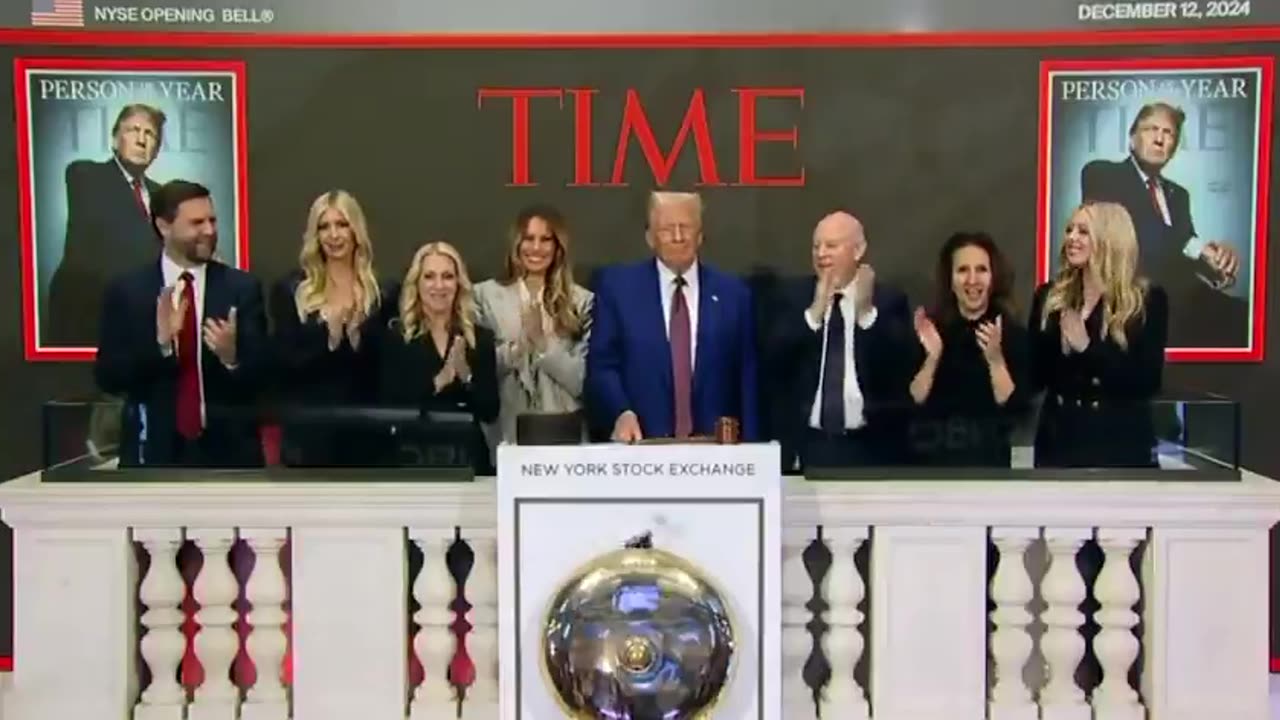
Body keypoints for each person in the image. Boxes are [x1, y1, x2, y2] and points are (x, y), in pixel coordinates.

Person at [94, 179, 268, 467]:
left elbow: (264, 378)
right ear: (164, 226)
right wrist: (160, 347)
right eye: (196, 222)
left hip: (228, 457)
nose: (210, 231)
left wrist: (232, 358)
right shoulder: (128, 292)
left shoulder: (242, 288)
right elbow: (108, 377)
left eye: (212, 220)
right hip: (152, 455)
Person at [585, 191, 758, 442]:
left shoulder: (734, 295)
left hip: (717, 456)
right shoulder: (618, 290)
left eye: (685, 227)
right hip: (642, 449)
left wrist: (750, 450)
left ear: (700, 236)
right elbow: (602, 366)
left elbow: (748, 380)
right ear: (650, 237)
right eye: (667, 229)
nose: (678, 237)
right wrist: (621, 412)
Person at [1080, 101, 1244, 349]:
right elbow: (1137, 230)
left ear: (1174, 147)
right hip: (1130, 303)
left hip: (1183, 303)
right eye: (1151, 129)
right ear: (1132, 138)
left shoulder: (1179, 195)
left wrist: (1219, 265)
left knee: (1245, 318)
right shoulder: (1102, 173)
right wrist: (1199, 248)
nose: (1159, 139)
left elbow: (1185, 249)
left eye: (1169, 134)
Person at [1029, 201, 1169, 468]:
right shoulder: (1050, 297)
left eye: (1083, 231)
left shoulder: (1146, 300)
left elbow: (1147, 381)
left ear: (1109, 238)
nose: (1071, 238)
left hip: (1119, 443)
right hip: (1059, 440)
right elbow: (1035, 377)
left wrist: (1088, 349)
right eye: (1070, 230)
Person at [770, 210, 910, 470]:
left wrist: (866, 315)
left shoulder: (888, 301)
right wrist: (814, 313)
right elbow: (774, 361)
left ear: (858, 250)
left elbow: (898, 373)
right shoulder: (792, 297)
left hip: (870, 447)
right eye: (816, 246)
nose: (821, 253)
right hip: (808, 446)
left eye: (831, 246)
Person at [270, 190, 397, 466]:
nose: (334, 235)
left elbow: (389, 370)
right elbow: (283, 363)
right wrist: (328, 341)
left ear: (356, 231)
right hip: (310, 437)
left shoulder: (382, 294)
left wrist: (355, 341)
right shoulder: (292, 290)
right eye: (324, 227)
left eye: (342, 224)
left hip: (367, 435)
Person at [474, 204, 593, 451]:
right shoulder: (484, 296)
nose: (536, 248)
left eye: (545, 239)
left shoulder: (581, 302)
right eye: (528, 238)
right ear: (516, 243)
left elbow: (583, 382)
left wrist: (543, 346)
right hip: (504, 436)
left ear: (558, 246)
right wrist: (518, 349)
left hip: (563, 437)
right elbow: (480, 375)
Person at [48, 103, 167, 347]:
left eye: (150, 134)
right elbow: (107, 241)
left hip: (143, 321)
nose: (141, 140)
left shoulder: (162, 195)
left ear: (156, 151)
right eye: (134, 130)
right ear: (115, 140)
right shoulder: (85, 175)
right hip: (87, 314)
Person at [907, 232, 1029, 466]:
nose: (972, 280)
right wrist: (932, 359)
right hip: (931, 466)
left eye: (981, 270)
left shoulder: (1012, 334)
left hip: (989, 467)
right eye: (963, 270)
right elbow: (912, 400)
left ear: (993, 277)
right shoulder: (930, 331)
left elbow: (1015, 409)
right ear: (950, 280)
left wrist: (995, 360)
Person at [380, 242, 499, 473]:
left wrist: (466, 377)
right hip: (411, 456)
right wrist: (438, 381)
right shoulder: (397, 337)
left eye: (447, 277)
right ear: (417, 283)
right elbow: (389, 401)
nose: (439, 286)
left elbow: (490, 411)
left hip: (466, 457)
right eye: (429, 277)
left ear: (458, 283)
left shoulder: (479, 338)